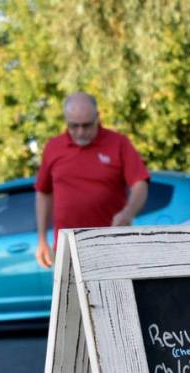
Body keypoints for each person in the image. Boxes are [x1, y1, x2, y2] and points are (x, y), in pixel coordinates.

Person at [35, 92, 150, 267]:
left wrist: (128, 213)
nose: (81, 132)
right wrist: (42, 239)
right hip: (68, 249)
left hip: (112, 246)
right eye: (74, 126)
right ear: (66, 121)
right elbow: (43, 192)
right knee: (70, 295)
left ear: (97, 117)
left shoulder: (118, 143)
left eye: (87, 126)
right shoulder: (53, 147)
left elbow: (140, 182)